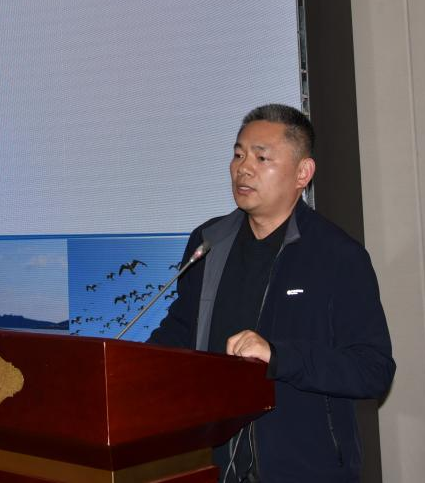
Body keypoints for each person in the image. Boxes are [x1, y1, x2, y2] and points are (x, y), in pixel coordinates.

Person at [148, 104, 394, 483]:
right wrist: (130, 369)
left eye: (261, 158)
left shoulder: (337, 256)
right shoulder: (209, 242)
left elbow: (373, 370)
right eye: (238, 155)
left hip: (305, 470)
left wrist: (279, 356)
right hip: (213, 464)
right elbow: (182, 330)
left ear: (302, 173)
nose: (243, 168)